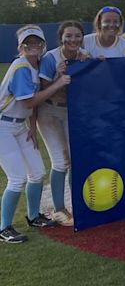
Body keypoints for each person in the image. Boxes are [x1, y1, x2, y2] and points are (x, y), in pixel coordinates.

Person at [0, 25, 71, 243]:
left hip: (19, 125)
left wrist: (31, 126)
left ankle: (33, 216)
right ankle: (4, 228)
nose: (33, 46)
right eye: (28, 43)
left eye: (37, 42)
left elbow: (30, 106)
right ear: (20, 46)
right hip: (3, 126)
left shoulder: (34, 65)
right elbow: (30, 100)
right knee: (17, 177)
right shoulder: (21, 67)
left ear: (43, 45)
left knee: (38, 172)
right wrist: (58, 83)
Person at [37, 21, 87, 227]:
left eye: (77, 36)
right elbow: (42, 89)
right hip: (49, 110)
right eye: (69, 36)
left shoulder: (83, 56)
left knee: (75, 159)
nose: (73, 39)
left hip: (70, 110)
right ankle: (58, 210)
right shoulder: (51, 58)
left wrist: (88, 64)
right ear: (61, 38)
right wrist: (58, 75)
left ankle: (76, 203)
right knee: (60, 161)